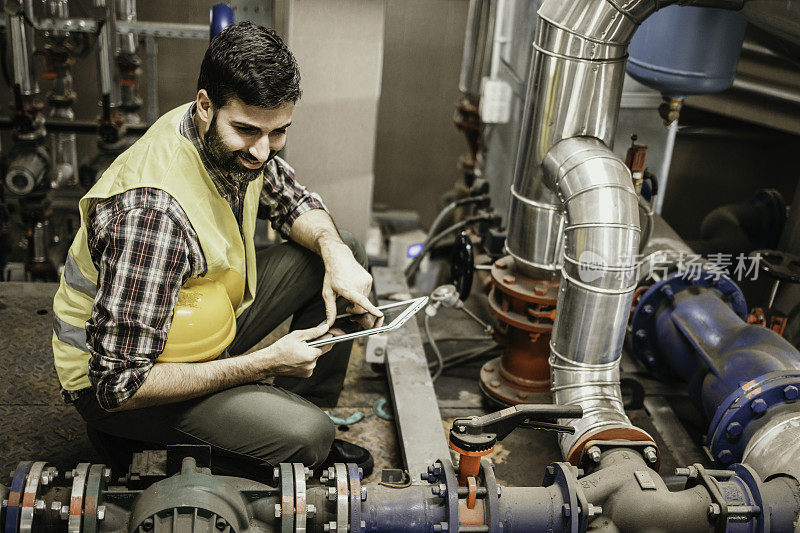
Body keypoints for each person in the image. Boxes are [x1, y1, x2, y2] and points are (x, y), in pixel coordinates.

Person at [51, 21, 382, 479]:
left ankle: (280, 416)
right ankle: (139, 441)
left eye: (279, 132)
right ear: (205, 105)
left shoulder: (224, 135)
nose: (263, 152)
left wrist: (337, 255)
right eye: (248, 131)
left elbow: (292, 202)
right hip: (122, 386)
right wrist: (264, 364)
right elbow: (119, 384)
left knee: (343, 251)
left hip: (194, 319)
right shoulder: (152, 218)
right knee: (310, 437)